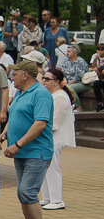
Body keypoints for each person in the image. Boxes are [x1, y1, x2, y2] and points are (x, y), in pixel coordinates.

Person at [38, 68, 75, 211]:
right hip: (49, 137)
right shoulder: (52, 95)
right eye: (44, 78)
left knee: (52, 167)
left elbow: (55, 122)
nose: (45, 81)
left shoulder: (60, 97)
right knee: (46, 167)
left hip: (56, 138)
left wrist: (38, 130)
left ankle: (57, 200)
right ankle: (47, 197)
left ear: (57, 82)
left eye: (48, 79)